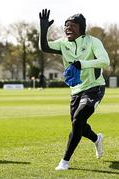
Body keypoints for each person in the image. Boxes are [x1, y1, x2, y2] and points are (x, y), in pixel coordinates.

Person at [39, 9, 110, 170]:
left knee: (77, 121)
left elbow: (105, 61)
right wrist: (43, 29)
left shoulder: (93, 41)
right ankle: (97, 139)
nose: (67, 28)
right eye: (66, 26)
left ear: (81, 28)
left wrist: (82, 64)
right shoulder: (63, 43)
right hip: (76, 90)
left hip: (94, 87)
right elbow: (44, 47)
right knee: (79, 125)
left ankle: (64, 161)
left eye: (72, 25)